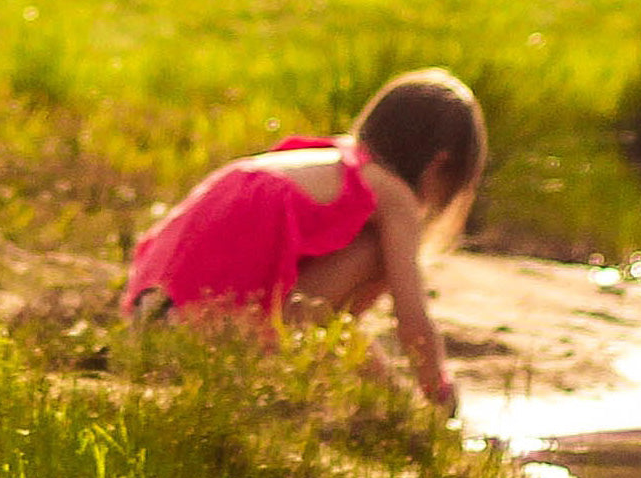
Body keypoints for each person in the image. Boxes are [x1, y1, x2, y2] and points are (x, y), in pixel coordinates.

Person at [122, 67, 487, 414]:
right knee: (378, 255)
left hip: (150, 314)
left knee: (341, 314)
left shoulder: (327, 163)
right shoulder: (394, 197)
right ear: (440, 165)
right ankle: (362, 395)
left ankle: (381, 399)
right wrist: (437, 393)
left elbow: (330, 321)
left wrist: (391, 391)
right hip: (203, 331)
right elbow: (411, 320)